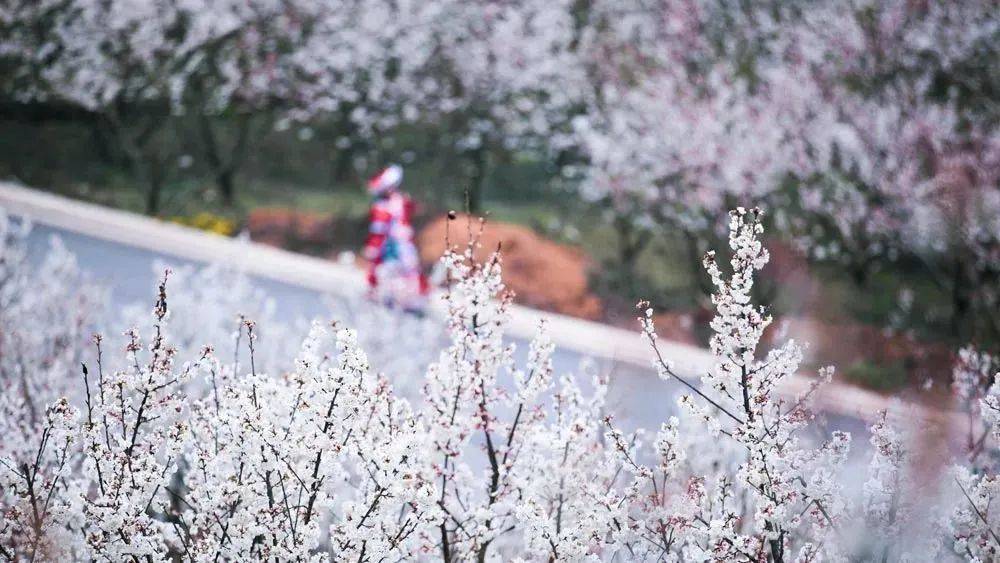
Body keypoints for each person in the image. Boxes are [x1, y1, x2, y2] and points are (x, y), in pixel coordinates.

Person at [362, 164, 429, 311]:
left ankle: (412, 298)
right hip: (391, 245)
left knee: (408, 269)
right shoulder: (385, 205)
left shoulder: (396, 202)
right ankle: (385, 294)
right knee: (388, 269)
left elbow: (386, 228)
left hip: (399, 245)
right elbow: (379, 230)